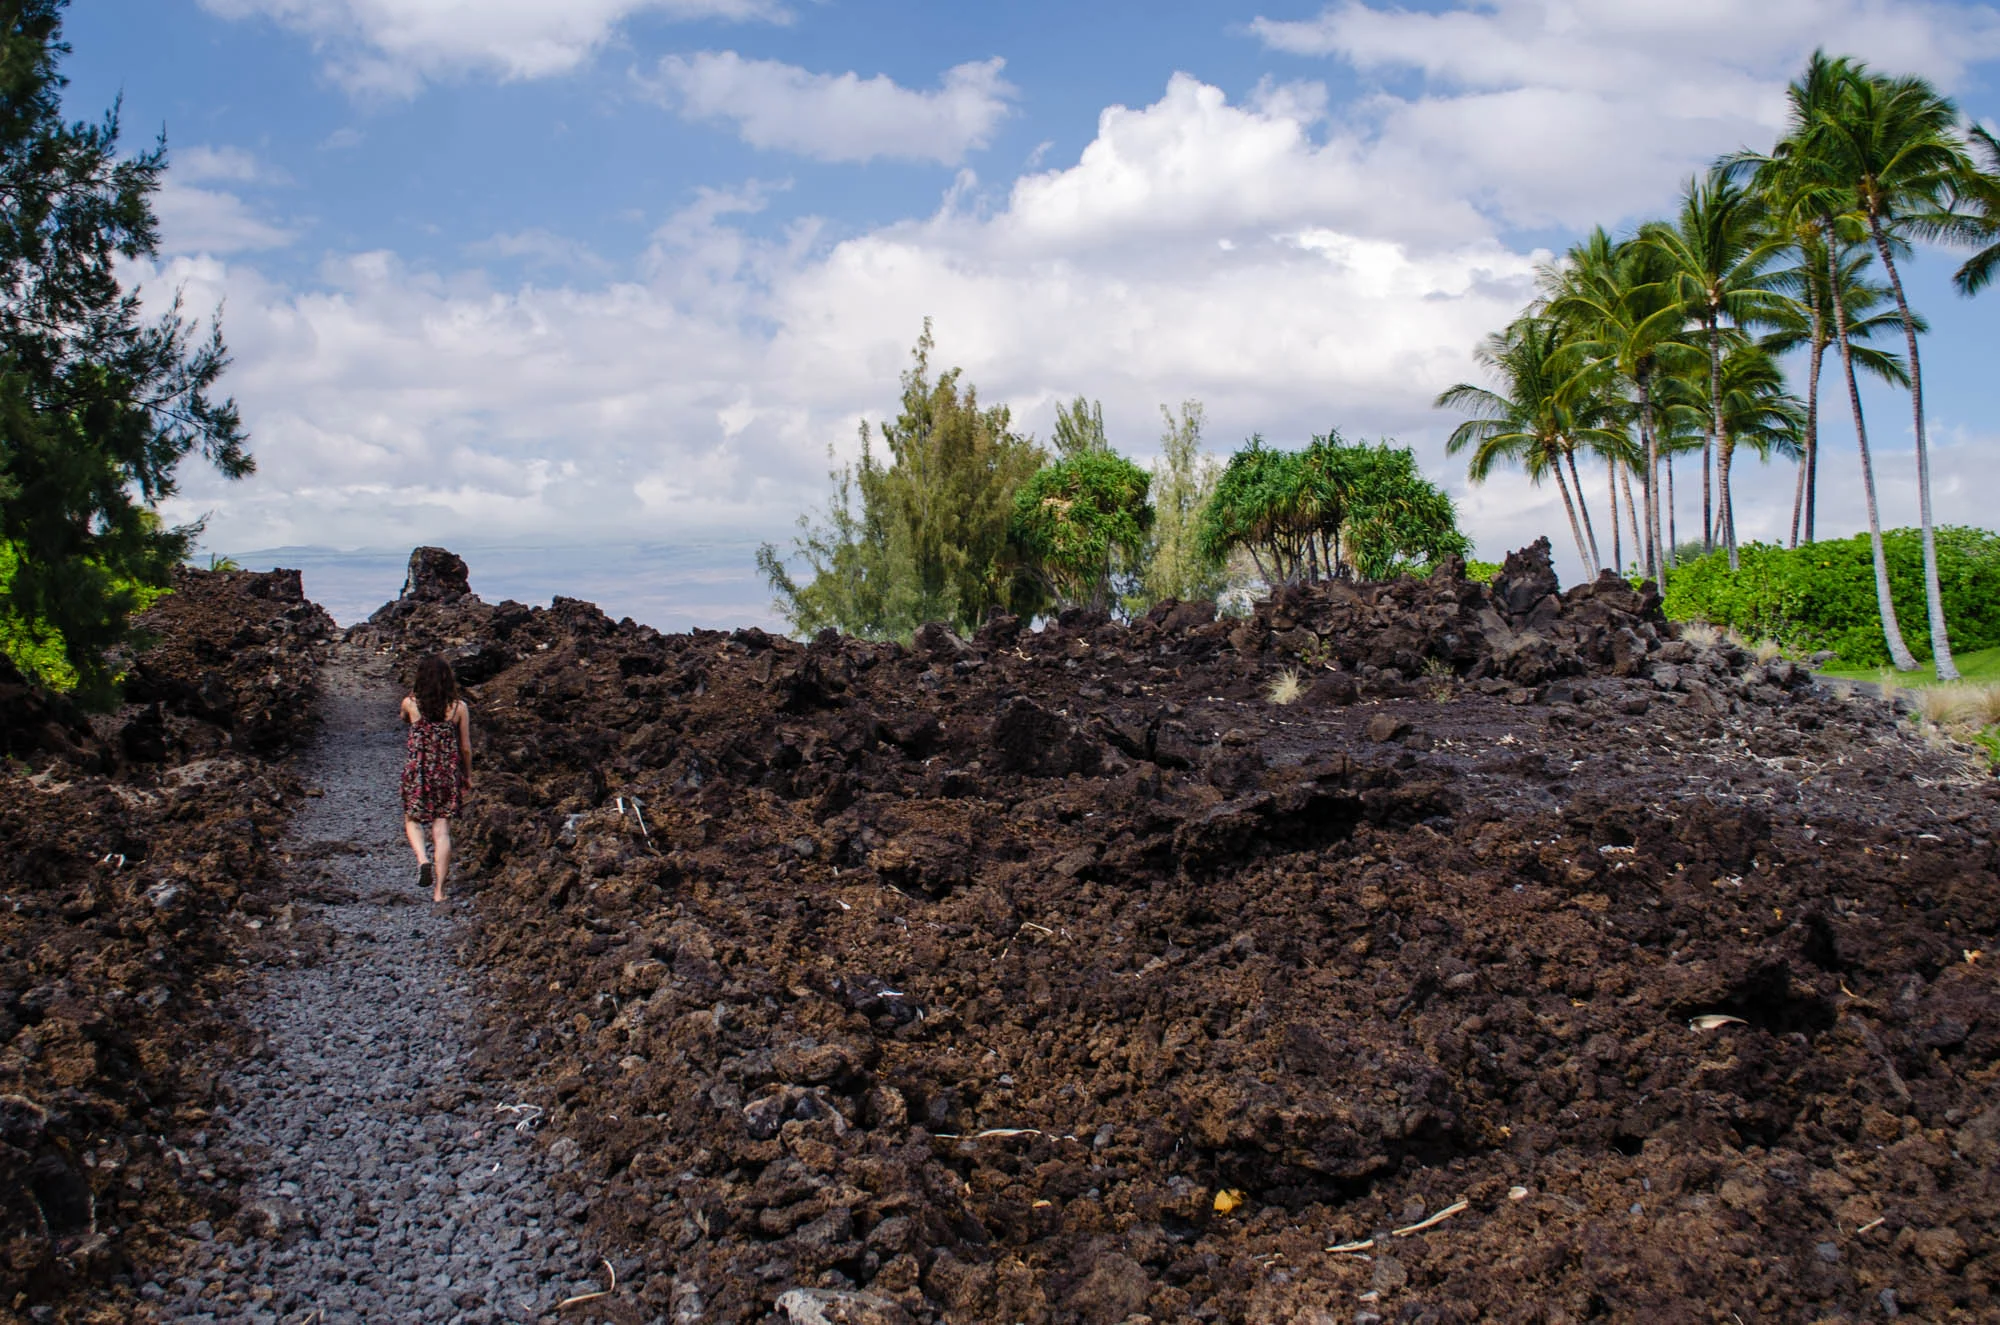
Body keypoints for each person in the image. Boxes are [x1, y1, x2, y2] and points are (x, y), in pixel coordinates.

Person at [400, 656, 472, 905]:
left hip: (418, 771)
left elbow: (404, 720)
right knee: (442, 830)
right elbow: (465, 748)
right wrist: (467, 776)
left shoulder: (410, 704)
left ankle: (422, 859)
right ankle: (439, 892)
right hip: (446, 772)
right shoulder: (458, 708)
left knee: (412, 819)